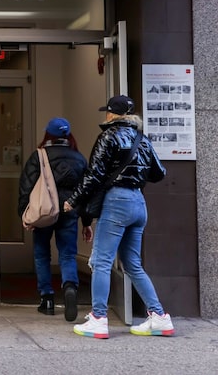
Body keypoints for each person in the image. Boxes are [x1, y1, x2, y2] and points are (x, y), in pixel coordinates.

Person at [63, 95, 170, 339]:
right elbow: (159, 173)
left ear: (112, 114)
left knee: (101, 261)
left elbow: (94, 175)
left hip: (117, 202)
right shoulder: (143, 139)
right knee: (132, 264)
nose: (106, 115)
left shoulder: (109, 136)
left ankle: (98, 318)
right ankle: (159, 316)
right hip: (138, 203)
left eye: (107, 112)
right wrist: (136, 173)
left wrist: (73, 200)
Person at [18, 117, 91, 322]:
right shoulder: (79, 158)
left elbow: (26, 186)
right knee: (67, 254)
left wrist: (24, 214)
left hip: (44, 212)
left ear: (48, 134)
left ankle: (47, 299)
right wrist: (86, 222)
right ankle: (70, 287)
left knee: (42, 254)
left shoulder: (39, 156)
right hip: (70, 211)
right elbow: (86, 192)